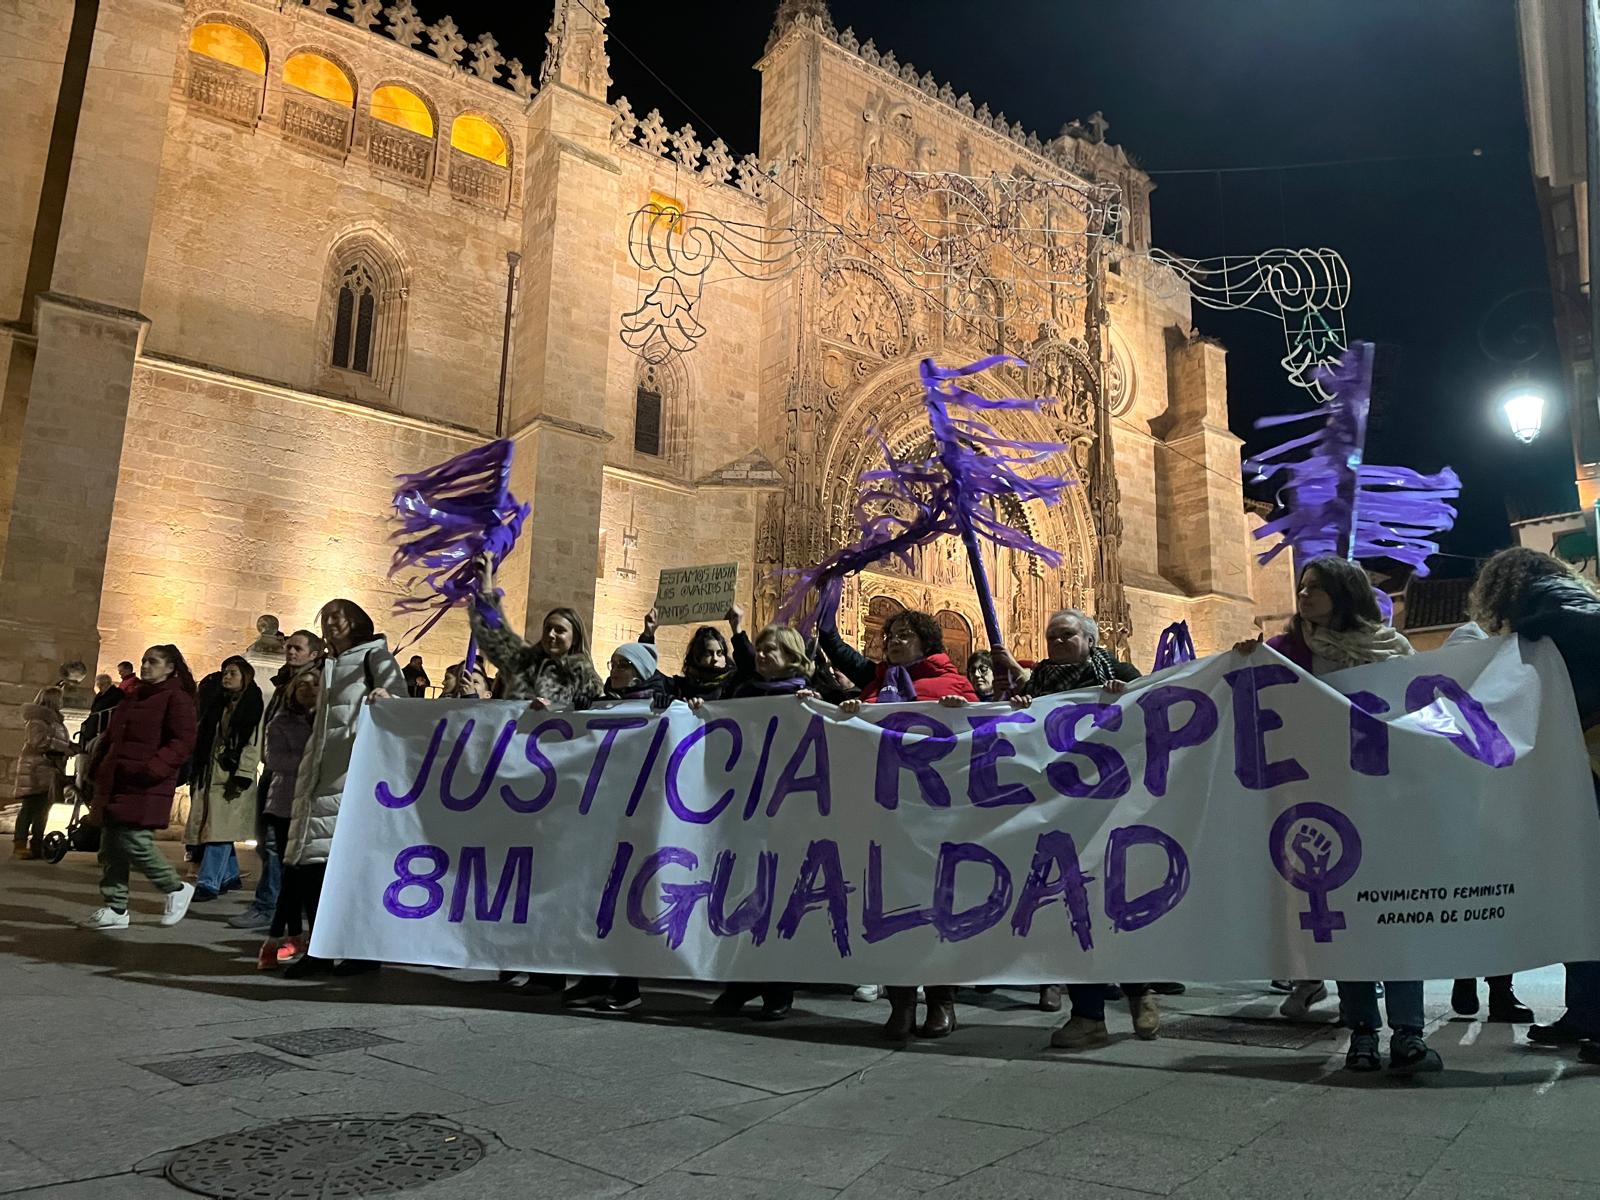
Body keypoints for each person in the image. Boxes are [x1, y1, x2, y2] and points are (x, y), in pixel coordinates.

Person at [1237, 554, 1439, 1073]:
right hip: (1323, 805)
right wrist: (1242, 661)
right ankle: (1364, 1034)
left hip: (1387, 803)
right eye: (1302, 588)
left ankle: (1410, 1033)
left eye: (1317, 589)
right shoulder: (1285, 653)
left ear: (1344, 594)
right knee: (1345, 924)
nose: (1304, 597)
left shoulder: (1392, 651)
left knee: (1395, 916)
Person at [1463, 547, 1600, 1057]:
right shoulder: (1569, 608)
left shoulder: (1546, 620)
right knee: (1582, 897)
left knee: (1585, 895)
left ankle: (1592, 1013)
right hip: (1583, 769)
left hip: (1587, 769)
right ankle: (1584, 1011)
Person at [820, 606, 977, 1039]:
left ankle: (942, 1002)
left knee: (937, 906)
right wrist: (851, 711)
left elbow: (987, 734)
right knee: (888, 908)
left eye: (904, 634)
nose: (893, 641)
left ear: (927, 642)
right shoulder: (877, 683)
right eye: (890, 634)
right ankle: (902, 1003)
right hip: (883, 814)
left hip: (934, 815)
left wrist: (957, 713)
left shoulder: (952, 683)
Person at [1000, 610, 1151, 1040]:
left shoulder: (1117, 672)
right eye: (1050, 636)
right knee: (1073, 910)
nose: (1056, 643)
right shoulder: (1040, 681)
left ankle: (1140, 991)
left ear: (1089, 638)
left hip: (1111, 806)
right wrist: (1021, 708)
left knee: (1113, 903)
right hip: (1060, 810)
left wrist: (1129, 696)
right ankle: (1088, 1016)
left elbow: (1153, 711)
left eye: (1065, 635)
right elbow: (1024, 730)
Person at [280, 599, 405, 977]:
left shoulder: (375, 657)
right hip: (321, 773)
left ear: (357, 622)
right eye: (328, 618)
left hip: (352, 776)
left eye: (340, 617)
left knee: (336, 869)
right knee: (317, 869)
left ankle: (341, 951)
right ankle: (335, 950)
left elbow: (398, 698)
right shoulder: (327, 666)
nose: (333, 623)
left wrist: (387, 698)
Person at [704, 624, 815, 1022]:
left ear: (791, 655)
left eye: (771, 649)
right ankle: (743, 979)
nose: (763, 655)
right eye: (761, 649)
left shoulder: (808, 698)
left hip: (789, 810)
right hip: (744, 807)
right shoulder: (743, 694)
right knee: (743, 890)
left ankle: (777, 986)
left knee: (778, 893)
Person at [563, 640, 675, 1014]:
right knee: (598, 899)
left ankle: (627, 986)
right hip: (603, 816)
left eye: (623, 663)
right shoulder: (602, 703)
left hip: (639, 817)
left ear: (640, 669)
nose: (615, 669)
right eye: (613, 662)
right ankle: (595, 977)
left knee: (626, 899)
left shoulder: (660, 705)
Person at [1441, 618, 1536, 1023]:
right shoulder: (1448, 700)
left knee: (1497, 903)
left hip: (1491, 814)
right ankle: (1476, 984)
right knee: (1477, 901)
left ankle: (1492, 987)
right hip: (1466, 815)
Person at [81, 645, 198, 929]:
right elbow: (112, 736)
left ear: (170, 667)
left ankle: (175, 888)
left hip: (144, 783)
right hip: (117, 780)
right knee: (111, 847)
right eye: (144, 661)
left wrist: (152, 769)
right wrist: (97, 768)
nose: (145, 666)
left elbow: (182, 741)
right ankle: (115, 908)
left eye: (153, 662)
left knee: (135, 841)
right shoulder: (133, 696)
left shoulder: (176, 699)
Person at [228, 629, 325, 932]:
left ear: (314, 654)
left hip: (301, 783)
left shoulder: (318, 685)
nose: (290, 652)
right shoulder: (285, 682)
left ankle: (268, 906)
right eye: (288, 647)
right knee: (269, 844)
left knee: (277, 848)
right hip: (278, 776)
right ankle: (283, 907)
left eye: (298, 648)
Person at [469, 559, 602, 709]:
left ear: (575, 637)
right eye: (547, 629)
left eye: (560, 630)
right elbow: (495, 638)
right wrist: (486, 585)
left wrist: (585, 701)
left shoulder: (587, 679)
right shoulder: (525, 663)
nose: (551, 635)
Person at [185, 656, 265, 901]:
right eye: (224, 673)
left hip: (231, 776)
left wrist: (243, 773)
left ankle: (208, 883)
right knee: (218, 829)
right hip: (211, 774)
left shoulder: (253, 705)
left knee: (218, 832)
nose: (226, 677)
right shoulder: (218, 704)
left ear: (245, 676)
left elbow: (254, 741)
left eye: (232, 673)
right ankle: (230, 876)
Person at [258, 671, 319, 969]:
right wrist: (315, 762)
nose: (309, 689)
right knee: (292, 872)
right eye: (302, 685)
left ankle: (288, 937)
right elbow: (275, 761)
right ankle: (289, 936)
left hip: (317, 807)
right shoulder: (280, 722)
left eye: (315, 684)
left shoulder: (328, 721)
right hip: (285, 804)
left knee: (302, 876)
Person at [641, 606, 750, 700]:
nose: (715, 658)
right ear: (697, 657)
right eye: (708, 654)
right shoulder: (681, 688)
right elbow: (645, 672)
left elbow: (749, 665)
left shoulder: (734, 685)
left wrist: (737, 630)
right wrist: (648, 634)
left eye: (720, 653)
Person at [12, 688, 72, 860]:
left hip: (48, 769)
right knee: (29, 808)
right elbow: (38, 741)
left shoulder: (54, 720)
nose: (62, 702)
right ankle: (20, 844)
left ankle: (37, 844)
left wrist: (72, 746)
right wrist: (63, 749)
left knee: (44, 809)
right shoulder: (37, 720)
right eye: (60, 699)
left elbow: (59, 740)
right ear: (52, 700)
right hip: (35, 769)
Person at [80, 673, 124, 745]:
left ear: (108, 683)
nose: (99, 687)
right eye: (98, 685)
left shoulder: (116, 693)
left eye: (101, 684)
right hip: (95, 722)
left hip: (104, 723)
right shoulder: (100, 694)